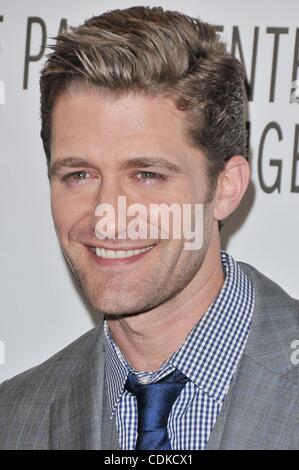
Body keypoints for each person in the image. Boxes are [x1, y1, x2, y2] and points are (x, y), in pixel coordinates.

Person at [0, 6, 298, 450]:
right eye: (79, 175)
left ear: (226, 187)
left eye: (147, 175)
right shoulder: (13, 417)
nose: (108, 215)